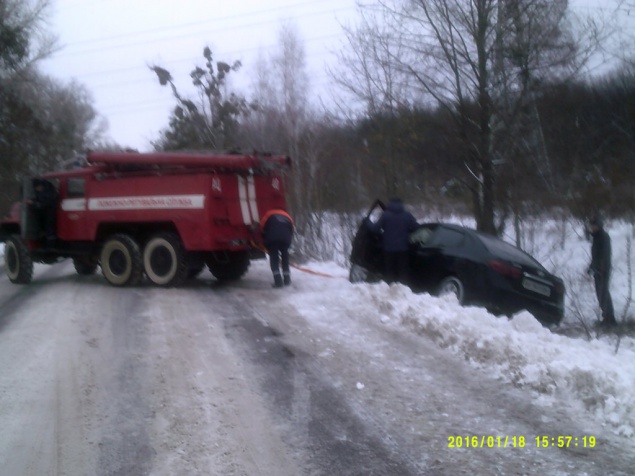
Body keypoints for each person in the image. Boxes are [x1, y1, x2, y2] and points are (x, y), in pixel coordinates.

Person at [371, 198, 418, 285]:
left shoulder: (385, 215)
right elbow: (416, 227)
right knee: (403, 271)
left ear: (390, 204)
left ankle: (391, 290)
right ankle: (404, 290)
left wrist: (371, 226)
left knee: (390, 271)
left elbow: (375, 229)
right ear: (402, 204)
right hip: (403, 249)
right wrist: (408, 231)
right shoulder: (407, 215)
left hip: (389, 249)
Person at [587, 216, 616, 327]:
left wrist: (600, 269)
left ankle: (610, 319)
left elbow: (604, 255)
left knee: (603, 293)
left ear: (598, 225)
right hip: (598, 269)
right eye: (591, 225)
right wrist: (591, 267)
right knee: (600, 294)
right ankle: (606, 317)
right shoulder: (597, 237)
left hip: (603, 270)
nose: (592, 228)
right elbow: (596, 256)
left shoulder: (603, 237)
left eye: (593, 225)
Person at [260, 208, 295, 288]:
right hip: (285, 239)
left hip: (273, 239)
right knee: (285, 259)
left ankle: (278, 282)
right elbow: (291, 229)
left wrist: (264, 237)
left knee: (274, 260)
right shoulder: (288, 216)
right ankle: (287, 280)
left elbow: (261, 226)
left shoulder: (269, 213)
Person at [28, 179, 58, 246]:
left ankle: (50, 246)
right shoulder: (46, 191)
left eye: (37, 188)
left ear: (40, 186)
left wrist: (33, 203)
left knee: (49, 229)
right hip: (45, 213)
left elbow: (45, 203)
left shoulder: (48, 193)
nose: (37, 189)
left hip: (49, 212)